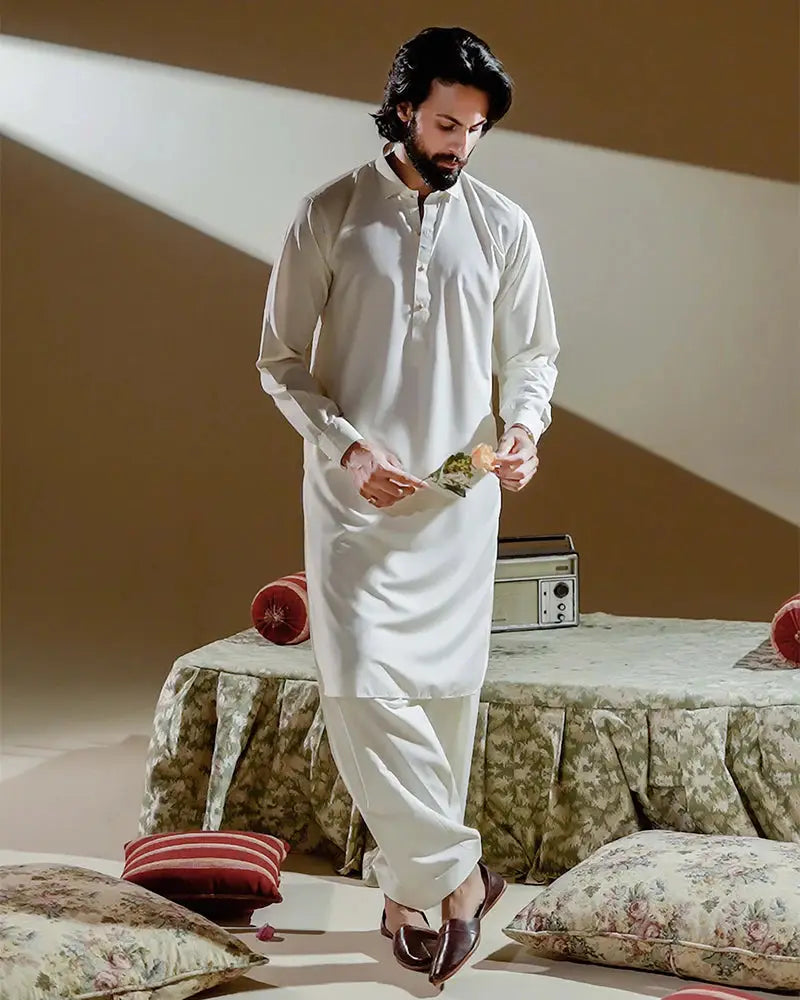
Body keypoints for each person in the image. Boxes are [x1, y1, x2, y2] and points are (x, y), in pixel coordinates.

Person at [256, 25, 559, 985]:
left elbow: (533, 353)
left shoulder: (504, 226)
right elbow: (280, 363)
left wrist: (525, 428)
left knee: (443, 702)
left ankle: (403, 893)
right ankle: (462, 879)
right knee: (363, 688)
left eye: (476, 129)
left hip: (460, 496)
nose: (461, 145)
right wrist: (346, 448)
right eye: (445, 124)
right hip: (356, 500)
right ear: (401, 110)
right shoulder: (330, 213)